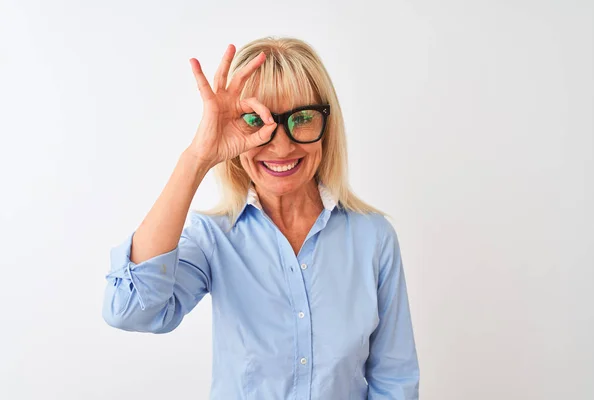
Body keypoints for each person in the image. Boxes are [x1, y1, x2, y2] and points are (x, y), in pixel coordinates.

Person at [102, 36, 420, 399]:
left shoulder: (373, 238)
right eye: (255, 120)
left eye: (301, 118)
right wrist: (197, 158)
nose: (281, 146)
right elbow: (129, 310)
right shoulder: (213, 238)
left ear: (326, 126)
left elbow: (394, 381)